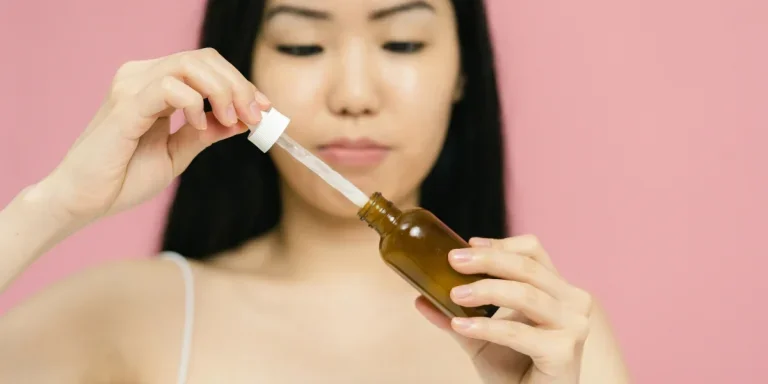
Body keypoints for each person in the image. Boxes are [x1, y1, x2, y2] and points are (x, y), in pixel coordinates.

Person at [0, 0, 631, 382]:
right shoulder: (124, 314)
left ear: (464, 68)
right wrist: (50, 206)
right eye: (303, 43)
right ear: (242, 65)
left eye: (403, 41)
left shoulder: (547, 335)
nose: (353, 94)